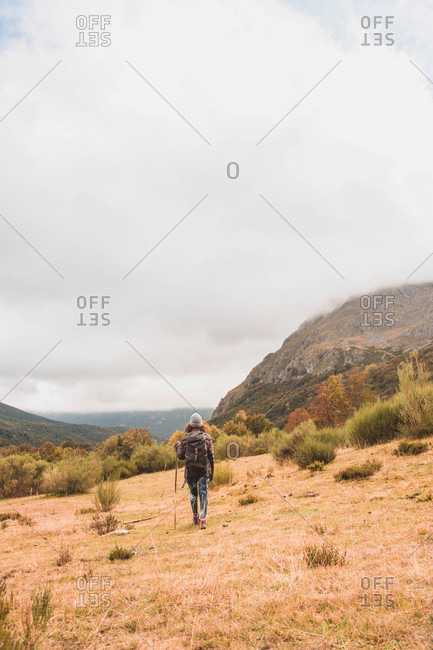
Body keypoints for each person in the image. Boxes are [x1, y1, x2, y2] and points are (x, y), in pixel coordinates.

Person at [175, 413, 214, 530]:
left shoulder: (185, 438)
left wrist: (177, 445)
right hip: (203, 470)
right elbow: (211, 456)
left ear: (190, 424)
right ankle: (203, 520)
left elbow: (181, 456)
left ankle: (195, 516)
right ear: (201, 424)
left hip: (190, 471)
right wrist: (211, 472)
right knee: (203, 493)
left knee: (193, 494)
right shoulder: (207, 437)